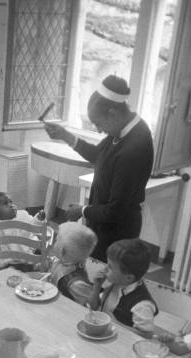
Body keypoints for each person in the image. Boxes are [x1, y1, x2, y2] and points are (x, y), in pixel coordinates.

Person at [44, 75, 154, 262]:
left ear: (113, 113)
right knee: (95, 277)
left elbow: (114, 211)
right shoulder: (123, 129)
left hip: (117, 232)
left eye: (99, 124)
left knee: (104, 279)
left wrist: (82, 210)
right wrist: (66, 136)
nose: (98, 130)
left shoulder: (133, 148)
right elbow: (98, 155)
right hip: (103, 225)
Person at [89, 238, 157, 336]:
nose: (105, 269)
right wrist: (97, 286)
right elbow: (92, 307)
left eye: (110, 267)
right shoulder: (117, 283)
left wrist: (116, 324)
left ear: (128, 278)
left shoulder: (142, 305)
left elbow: (146, 335)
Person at [0, 192, 45, 267]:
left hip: (25, 253)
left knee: (40, 250)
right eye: (6, 204)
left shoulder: (22, 215)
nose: (11, 205)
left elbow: (32, 226)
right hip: (7, 260)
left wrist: (38, 219)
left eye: (11, 202)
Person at [48, 221, 97, 304]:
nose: (53, 243)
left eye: (56, 240)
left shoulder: (76, 284)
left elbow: (89, 307)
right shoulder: (62, 262)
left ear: (62, 251)